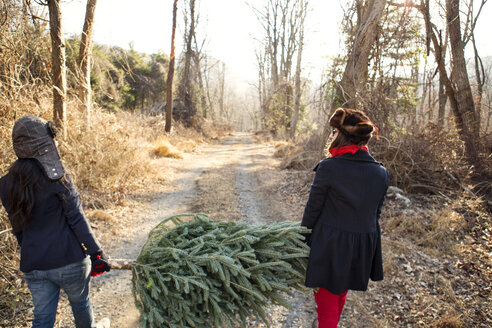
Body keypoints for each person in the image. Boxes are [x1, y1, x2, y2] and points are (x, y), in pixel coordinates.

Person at [0, 116, 111, 328]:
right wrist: (96, 253)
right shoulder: (59, 177)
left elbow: (18, 229)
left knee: (42, 319)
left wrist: (32, 252)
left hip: (35, 265)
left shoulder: (5, 185)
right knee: (81, 304)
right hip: (69, 260)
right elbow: (76, 218)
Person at [301, 108, 389, 328]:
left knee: (326, 305)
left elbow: (313, 210)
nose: (330, 136)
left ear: (341, 135)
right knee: (339, 294)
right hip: (362, 245)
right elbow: (375, 214)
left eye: (333, 132)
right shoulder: (381, 172)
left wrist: (300, 241)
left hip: (331, 245)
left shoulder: (329, 168)